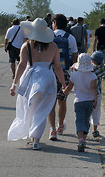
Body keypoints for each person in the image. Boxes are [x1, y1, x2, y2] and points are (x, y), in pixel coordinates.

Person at [8, 18, 66, 150]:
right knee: (42, 109)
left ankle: (29, 132)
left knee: (28, 107)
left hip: (30, 78)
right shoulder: (53, 46)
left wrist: (14, 84)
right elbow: (57, 67)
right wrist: (63, 84)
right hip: (47, 78)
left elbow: (22, 66)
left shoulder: (26, 46)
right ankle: (36, 139)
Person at [48, 14, 78, 140]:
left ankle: (52, 129)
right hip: (65, 72)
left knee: (51, 102)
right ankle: (61, 125)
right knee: (62, 101)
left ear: (54, 23)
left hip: (51, 71)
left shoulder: (49, 36)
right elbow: (75, 56)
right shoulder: (70, 37)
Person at [63, 53, 97, 152]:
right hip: (89, 101)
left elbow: (69, 87)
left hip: (78, 101)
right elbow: (94, 89)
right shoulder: (93, 76)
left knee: (79, 120)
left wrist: (65, 92)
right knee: (86, 119)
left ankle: (80, 139)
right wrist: (95, 100)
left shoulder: (74, 76)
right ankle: (84, 139)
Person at [90, 51, 105, 138]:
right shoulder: (102, 68)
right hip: (97, 93)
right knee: (96, 112)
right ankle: (95, 130)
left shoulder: (90, 69)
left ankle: (85, 130)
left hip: (88, 93)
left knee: (87, 113)